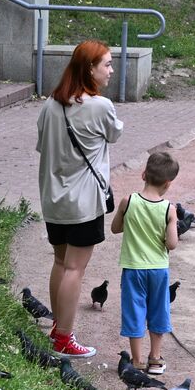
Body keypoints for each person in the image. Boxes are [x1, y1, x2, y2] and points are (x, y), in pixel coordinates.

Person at [35, 40, 122, 360]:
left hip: (53, 199)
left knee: (60, 262)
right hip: (84, 201)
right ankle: (64, 339)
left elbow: (42, 147)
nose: (111, 70)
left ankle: (58, 328)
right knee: (75, 268)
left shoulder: (50, 105)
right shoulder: (100, 106)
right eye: (107, 64)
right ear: (90, 68)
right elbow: (115, 134)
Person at [110, 151, 180, 375]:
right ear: (168, 184)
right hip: (158, 270)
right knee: (158, 310)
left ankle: (137, 360)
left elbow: (115, 228)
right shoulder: (169, 209)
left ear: (143, 174)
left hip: (133, 269)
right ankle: (155, 359)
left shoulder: (127, 201)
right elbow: (171, 244)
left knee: (135, 310)